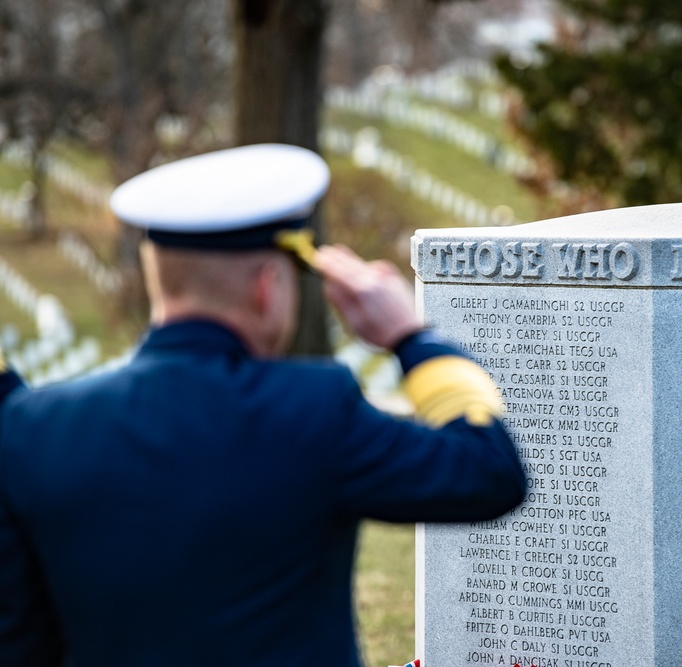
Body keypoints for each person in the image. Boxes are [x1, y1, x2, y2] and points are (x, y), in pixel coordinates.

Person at [0, 143, 527, 666]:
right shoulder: (314, 410)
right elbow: (487, 469)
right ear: (267, 287)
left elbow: (20, 644)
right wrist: (411, 335)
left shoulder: (30, 430)